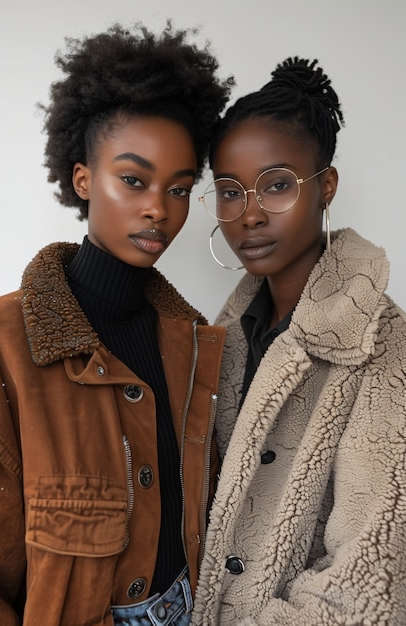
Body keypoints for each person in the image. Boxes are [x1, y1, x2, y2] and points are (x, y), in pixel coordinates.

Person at [0, 22, 233, 626]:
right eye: (133, 179)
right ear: (81, 179)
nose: (159, 208)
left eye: (179, 189)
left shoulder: (196, 342)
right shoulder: (3, 342)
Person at [192, 57, 406, 625]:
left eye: (278, 185)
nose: (251, 214)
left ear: (326, 186)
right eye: (230, 191)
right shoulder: (222, 340)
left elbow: (368, 581)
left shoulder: (381, 345)